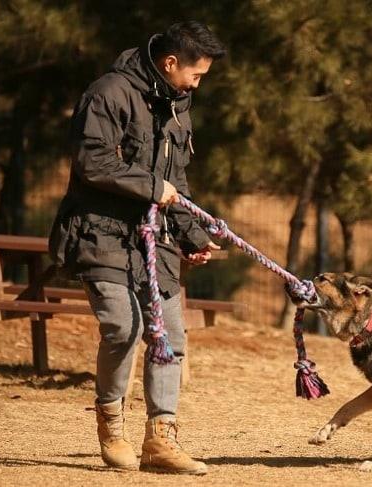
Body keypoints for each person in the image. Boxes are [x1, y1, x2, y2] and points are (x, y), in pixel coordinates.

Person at [49, 21, 226, 474]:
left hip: (154, 241)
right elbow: (93, 162)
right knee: (122, 329)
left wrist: (190, 234)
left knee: (171, 338)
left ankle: (161, 439)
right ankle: (111, 422)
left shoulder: (178, 104)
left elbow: (176, 182)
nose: (198, 83)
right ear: (170, 63)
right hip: (100, 233)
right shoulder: (107, 93)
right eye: (196, 74)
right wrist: (151, 186)